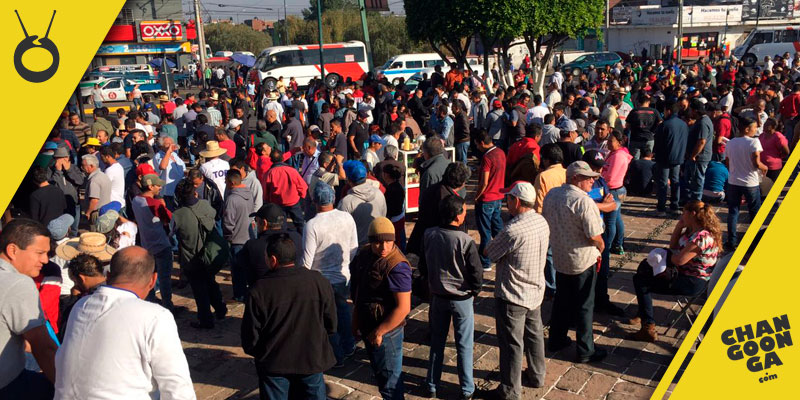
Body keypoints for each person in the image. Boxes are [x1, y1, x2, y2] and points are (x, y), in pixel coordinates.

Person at [55, 247, 195, 399]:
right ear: (153, 281)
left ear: (107, 276)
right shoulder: (156, 316)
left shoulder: (80, 306)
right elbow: (178, 388)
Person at [241, 233, 335, 400]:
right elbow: (331, 323)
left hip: (274, 364)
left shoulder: (259, 290)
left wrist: (261, 353)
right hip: (311, 358)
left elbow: (250, 337)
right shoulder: (318, 281)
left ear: (273, 260)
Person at [485, 182, 549, 399]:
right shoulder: (541, 220)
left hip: (513, 294)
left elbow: (490, 253)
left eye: (509, 199)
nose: (506, 202)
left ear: (518, 201)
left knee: (511, 344)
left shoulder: (512, 229)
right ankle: (537, 374)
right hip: (535, 290)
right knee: (534, 335)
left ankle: (510, 390)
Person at [542, 161, 607, 363]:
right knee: (585, 305)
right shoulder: (583, 202)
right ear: (575, 178)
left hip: (561, 257)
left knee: (562, 300)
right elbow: (594, 235)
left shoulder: (552, 195)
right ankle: (585, 350)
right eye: (588, 177)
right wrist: (601, 247)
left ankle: (556, 339)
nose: (592, 180)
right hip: (582, 261)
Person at [630, 201, 721, 342]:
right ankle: (643, 312)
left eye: (684, 212)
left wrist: (662, 255)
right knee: (644, 271)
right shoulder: (693, 230)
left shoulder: (702, 237)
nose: (682, 215)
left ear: (692, 214)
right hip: (685, 273)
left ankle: (647, 326)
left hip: (693, 281)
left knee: (641, 281)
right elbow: (673, 245)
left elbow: (679, 260)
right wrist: (679, 227)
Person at [421, 195, 482, 399]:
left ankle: (431, 384)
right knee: (464, 343)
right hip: (461, 298)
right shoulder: (465, 241)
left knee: (437, 341)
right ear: (457, 216)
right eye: (464, 210)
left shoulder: (429, 234)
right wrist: (475, 290)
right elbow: (476, 272)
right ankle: (467, 389)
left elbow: (424, 263)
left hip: (438, 296)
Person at [350, 218, 412, 399]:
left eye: (388, 241)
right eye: (378, 242)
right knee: (380, 374)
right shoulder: (364, 254)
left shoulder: (397, 266)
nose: (384, 247)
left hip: (387, 332)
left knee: (390, 383)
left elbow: (403, 307)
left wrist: (379, 332)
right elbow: (360, 291)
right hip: (368, 324)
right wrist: (356, 320)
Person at [302, 182, 359, 366]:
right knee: (342, 311)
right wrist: (343, 265)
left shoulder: (312, 225)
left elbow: (307, 260)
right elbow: (353, 248)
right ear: (333, 198)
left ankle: (337, 355)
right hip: (343, 275)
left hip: (321, 280)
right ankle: (349, 346)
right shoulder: (347, 218)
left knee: (327, 319)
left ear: (314, 201)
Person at [0, 219, 58, 399]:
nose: (45, 260)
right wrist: (69, 389)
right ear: (12, 250)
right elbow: (43, 348)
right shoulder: (18, 283)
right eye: (40, 253)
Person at [171, 180, 227, 329]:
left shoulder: (177, 215)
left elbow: (171, 233)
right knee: (210, 282)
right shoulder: (204, 204)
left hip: (191, 258)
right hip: (209, 254)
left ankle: (206, 320)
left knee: (199, 291)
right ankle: (221, 309)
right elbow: (214, 216)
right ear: (194, 192)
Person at [130, 174, 177, 312]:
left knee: (150, 276)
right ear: (150, 187)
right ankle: (167, 305)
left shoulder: (135, 200)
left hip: (147, 244)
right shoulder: (154, 204)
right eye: (158, 185)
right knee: (164, 278)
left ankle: (150, 302)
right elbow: (170, 220)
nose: (160, 187)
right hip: (161, 244)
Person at [724, 118, 767, 249]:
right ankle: (754, 241)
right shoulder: (754, 142)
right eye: (754, 127)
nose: (756, 130)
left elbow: (727, 161)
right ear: (747, 129)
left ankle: (731, 241)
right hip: (750, 182)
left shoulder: (730, 143)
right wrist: (764, 167)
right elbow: (756, 162)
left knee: (733, 212)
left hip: (733, 181)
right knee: (754, 212)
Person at [474, 129, 506, 271]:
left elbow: (484, 182)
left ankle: (485, 262)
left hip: (486, 198)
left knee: (485, 232)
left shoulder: (487, 158)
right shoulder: (500, 152)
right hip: (498, 197)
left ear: (482, 143)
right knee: (497, 228)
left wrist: (477, 196)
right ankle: (502, 254)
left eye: (477, 145)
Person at [338, 160, 387, 246]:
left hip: (357, 251)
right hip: (377, 246)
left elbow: (342, 231)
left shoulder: (346, 202)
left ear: (348, 180)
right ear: (366, 175)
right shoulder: (379, 193)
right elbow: (383, 217)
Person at [223, 169, 254, 302]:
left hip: (236, 239)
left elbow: (228, 222)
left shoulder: (232, 199)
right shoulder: (249, 193)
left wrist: (228, 236)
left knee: (237, 271)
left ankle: (240, 295)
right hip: (249, 235)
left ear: (231, 182)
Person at [654, 104, 689, 215]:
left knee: (663, 183)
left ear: (668, 111)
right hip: (678, 157)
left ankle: (661, 208)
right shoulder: (684, 125)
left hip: (664, 158)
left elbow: (658, 142)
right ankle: (674, 205)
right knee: (675, 181)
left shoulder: (664, 125)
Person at [262, 149, 308, 231]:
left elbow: (265, 191)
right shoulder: (292, 170)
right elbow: (302, 186)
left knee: (281, 226)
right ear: (283, 158)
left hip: (277, 203)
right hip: (293, 201)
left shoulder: (269, 173)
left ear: (271, 160)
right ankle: (303, 239)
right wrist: (301, 197)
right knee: (300, 223)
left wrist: (267, 201)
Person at [683, 101, 714, 202]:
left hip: (699, 157)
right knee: (690, 178)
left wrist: (693, 155)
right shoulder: (702, 120)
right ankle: (688, 199)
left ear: (695, 111)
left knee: (697, 180)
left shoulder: (703, 123)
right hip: (696, 156)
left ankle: (696, 202)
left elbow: (702, 141)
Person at [48, 147, 84, 232]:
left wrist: (69, 170)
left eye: (62, 158)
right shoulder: (51, 170)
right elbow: (54, 185)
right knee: (62, 229)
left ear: (67, 158)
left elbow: (80, 181)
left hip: (74, 203)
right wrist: (58, 171)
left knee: (74, 228)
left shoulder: (74, 168)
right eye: (57, 158)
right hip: (60, 205)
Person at [153, 136, 186, 210]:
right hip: (168, 192)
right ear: (161, 146)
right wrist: (168, 152)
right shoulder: (158, 156)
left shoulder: (174, 154)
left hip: (179, 190)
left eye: (172, 143)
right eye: (168, 144)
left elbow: (183, 169)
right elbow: (163, 167)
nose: (171, 145)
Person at [626, 94, 661, 159]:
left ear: (639, 102)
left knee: (635, 160)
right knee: (647, 159)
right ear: (648, 102)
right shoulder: (654, 111)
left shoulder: (634, 111)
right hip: (649, 138)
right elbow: (660, 122)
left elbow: (627, 125)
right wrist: (653, 130)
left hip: (635, 138)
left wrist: (633, 129)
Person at [81, 154, 111, 224]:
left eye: (83, 165)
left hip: (96, 214)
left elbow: (94, 200)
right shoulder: (103, 175)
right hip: (105, 211)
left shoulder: (94, 180)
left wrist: (88, 213)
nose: (82, 168)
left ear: (91, 166)